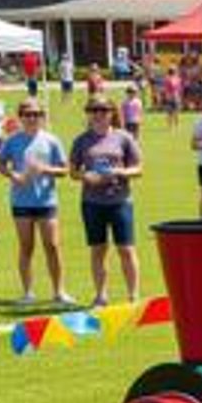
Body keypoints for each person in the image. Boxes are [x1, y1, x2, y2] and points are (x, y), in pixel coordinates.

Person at [69, 97, 144, 308]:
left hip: (120, 201)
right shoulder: (81, 140)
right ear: (88, 113)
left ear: (111, 112)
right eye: (93, 109)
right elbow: (73, 171)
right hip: (92, 203)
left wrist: (119, 171)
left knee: (126, 250)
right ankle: (101, 296)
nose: (98, 113)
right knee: (98, 250)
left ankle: (133, 296)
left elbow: (139, 168)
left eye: (103, 109)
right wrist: (86, 177)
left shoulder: (124, 137)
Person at [0, 98, 72, 306]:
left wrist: (45, 169)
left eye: (36, 114)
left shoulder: (51, 140)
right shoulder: (12, 140)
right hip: (21, 201)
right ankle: (27, 293)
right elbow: (0, 163)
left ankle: (59, 292)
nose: (32, 118)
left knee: (53, 246)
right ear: (20, 117)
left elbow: (65, 169)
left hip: (46, 201)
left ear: (42, 117)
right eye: (27, 114)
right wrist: (13, 175)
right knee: (26, 247)